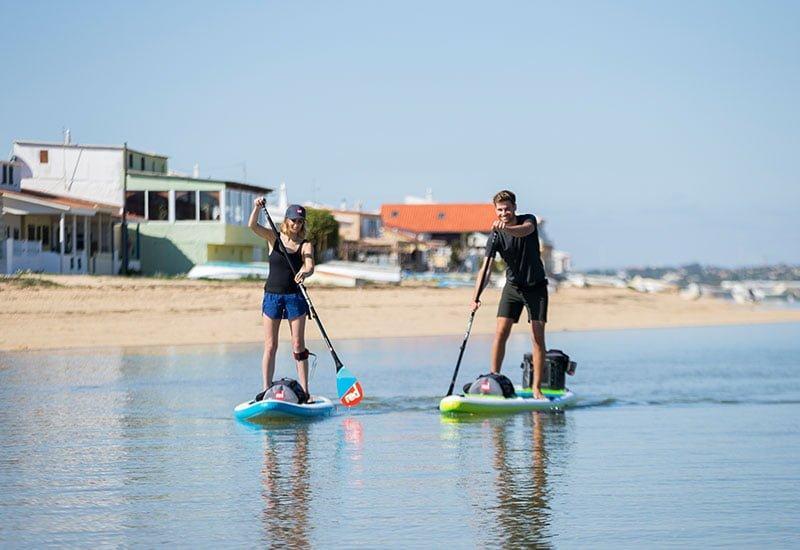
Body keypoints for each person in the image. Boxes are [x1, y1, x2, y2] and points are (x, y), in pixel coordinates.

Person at [471, 190, 548, 399]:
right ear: (495, 210)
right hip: (512, 287)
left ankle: (537, 388)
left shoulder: (528, 221)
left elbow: (524, 231)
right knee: (500, 333)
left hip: (536, 287)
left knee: (537, 338)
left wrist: (506, 228)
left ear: (514, 207)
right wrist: (476, 297)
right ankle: (493, 380)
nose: (503, 213)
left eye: (507, 209)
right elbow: (486, 269)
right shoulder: (495, 236)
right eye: (500, 210)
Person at [249, 198, 315, 400]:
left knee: (298, 345)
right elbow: (252, 226)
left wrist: (305, 272)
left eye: (300, 221)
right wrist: (257, 208)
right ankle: (266, 389)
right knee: (270, 345)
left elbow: (310, 265)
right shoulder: (274, 237)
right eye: (294, 220)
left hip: (295, 297)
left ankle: (305, 392)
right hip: (272, 296)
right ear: (287, 220)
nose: (297, 224)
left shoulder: (305, 244)